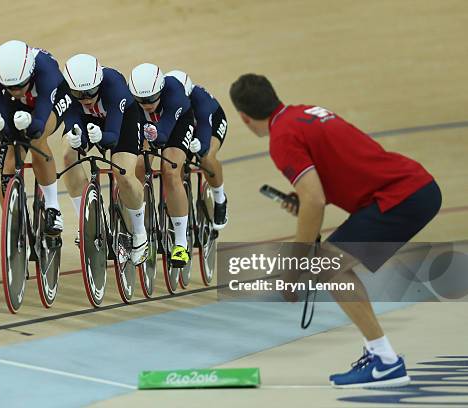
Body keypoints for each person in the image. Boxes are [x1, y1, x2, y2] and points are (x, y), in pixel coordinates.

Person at [229, 73, 441, 388]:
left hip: (399, 197)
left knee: (328, 266)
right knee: (331, 264)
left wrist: (294, 267)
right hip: (413, 186)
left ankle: (384, 361)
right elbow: (320, 190)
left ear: (245, 118)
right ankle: (380, 355)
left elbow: (315, 200)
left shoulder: (282, 138)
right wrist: (305, 200)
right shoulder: (305, 113)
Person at [60, 54, 147, 265]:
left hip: (122, 120)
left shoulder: (114, 86)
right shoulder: (67, 92)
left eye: (90, 91)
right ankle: (85, 219)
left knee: (123, 174)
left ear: (98, 83)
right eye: (78, 94)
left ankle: (140, 232)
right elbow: (72, 120)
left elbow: (113, 137)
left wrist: (102, 138)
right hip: (88, 120)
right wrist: (75, 136)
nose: (86, 97)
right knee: (67, 155)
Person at [0, 40, 73, 237]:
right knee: (5, 151)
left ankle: (52, 207)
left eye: (20, 85)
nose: (16, 90)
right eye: (10, 87)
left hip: (52, 99)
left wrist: (30, 124)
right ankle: (14, 224)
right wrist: (0, 129)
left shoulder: (45, 69)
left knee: (36, 139)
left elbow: (39, 122)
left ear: (30, 73)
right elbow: (1, 121)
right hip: (18, 106)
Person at [129, 63, 195, 268]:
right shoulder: (133, 100)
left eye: (150, 99)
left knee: (170, 171)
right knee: (137, 166)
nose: (146, 104)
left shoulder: (174, 92)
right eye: (141, 100)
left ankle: (180, 243)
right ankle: (137, 222)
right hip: (150, 128)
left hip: (177, 126)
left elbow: (164, 133)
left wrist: (153, 136)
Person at [165, 70, 229, 230]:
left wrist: (201, 146)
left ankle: (220, 200)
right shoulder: (167, 98)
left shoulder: (200, 99)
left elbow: (205, 129)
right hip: (186, 126)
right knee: (174, 168)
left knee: (207, 158)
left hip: (211, 122)